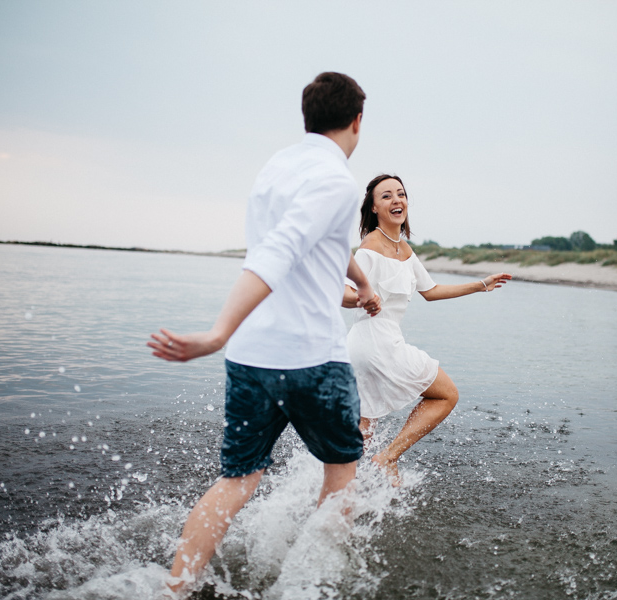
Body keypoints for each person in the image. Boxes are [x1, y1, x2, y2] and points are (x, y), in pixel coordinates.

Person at [147, 72, 380, 597]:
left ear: (308, 117)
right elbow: (279, 251)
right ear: (357, 121)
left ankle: (174, 590)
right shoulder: (339, 180)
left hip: (252, 359)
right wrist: (215, 332)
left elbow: (318, 241)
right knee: (343, 472)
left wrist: (361, 283)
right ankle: (307, 589)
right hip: (312, 358)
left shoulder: (275, 167)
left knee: (238, 479)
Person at [343, 174, 511, 485]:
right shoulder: (370, 247)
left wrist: (480, 285)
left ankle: (341, 497)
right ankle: (388, 458)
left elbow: (430, 290)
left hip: (369, 347)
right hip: (376, 344)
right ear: (375, 208)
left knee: (363, 430)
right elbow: (342, 294)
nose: (397, 200)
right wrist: (364, 300)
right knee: (446, 394)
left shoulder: (402, 248)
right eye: (387, 196)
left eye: (401, 194)